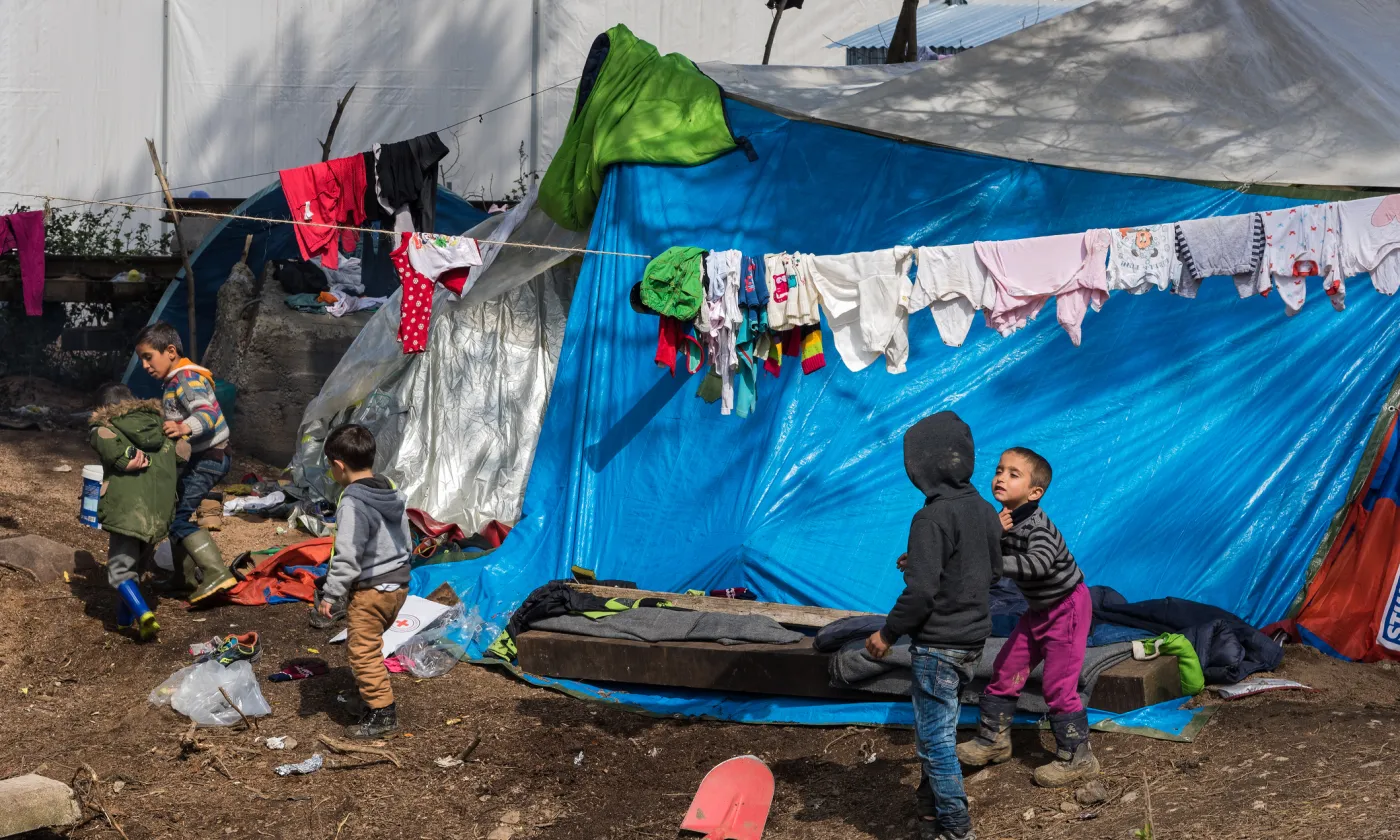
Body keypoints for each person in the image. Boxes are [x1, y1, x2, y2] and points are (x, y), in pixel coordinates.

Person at [866, 412, 1002, 840]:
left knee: (936, 742)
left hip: (938, 647)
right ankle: (930, 815)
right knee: (938, 730)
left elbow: (922, 593)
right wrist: (925, 560)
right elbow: (991, 570)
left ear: (920, 468)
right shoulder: (984, 510)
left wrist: (887, 633)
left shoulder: (930, 518)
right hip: (972, 641)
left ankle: (957, 830)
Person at [955, 447, 1099, 788]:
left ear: (1035, 493)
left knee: (1058, 686)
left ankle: (1078, 757)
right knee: (1007, 667)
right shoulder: (1001, 519)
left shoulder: (1038, 527)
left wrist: (992, 560)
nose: (1001, 478)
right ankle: (994, 740)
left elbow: (1038, 564)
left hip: (1067, 608)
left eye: (1013, 474)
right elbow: (974, 550)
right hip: (1038, 610)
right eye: (999, 470)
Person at [316, 423, 413, 738]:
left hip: (372, 591)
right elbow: (406, 538)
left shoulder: (353, 502)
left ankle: (383, 712)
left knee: (362, 650)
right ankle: (367, 696)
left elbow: (347, 554)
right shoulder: (390, 490)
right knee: (371, 643)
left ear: (338, 466)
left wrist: (331, 594)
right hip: (398, 586)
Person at [134, 322, 236, 604]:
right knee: (173, 513)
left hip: (210, 458)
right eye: (141, 359)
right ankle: (183, 577)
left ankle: (216, 573)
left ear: (170, 351)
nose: (144, 366)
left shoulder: (186, 378)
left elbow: (207, 414)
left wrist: (183, 428)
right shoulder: (175, 380)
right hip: (202, 458)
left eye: (148, 357)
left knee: (178, 520)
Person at [87, 383, 186, 642]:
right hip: (159, 512)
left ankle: (143, 614)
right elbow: (183, 455)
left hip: (128, 512)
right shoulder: (162, 426)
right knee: (136, 570)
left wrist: (126, 459)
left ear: (103, 408)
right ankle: (123, 622)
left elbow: (116, 454)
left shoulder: (104, 428)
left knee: (119, 572)